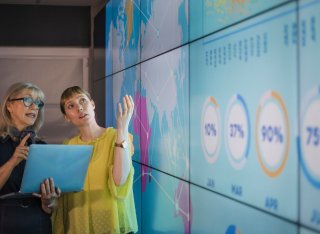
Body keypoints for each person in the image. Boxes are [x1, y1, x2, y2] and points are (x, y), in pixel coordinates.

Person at [52, 86, 138, 234]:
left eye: (82, 101)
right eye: (71, 106)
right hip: (79, 224)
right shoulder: (67, 147)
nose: (79, 108)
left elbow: (120, 180)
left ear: (92, 104)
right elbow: (63, 194)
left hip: (113, 223)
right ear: (66, 116)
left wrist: (122, 128)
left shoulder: (118, 136)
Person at [0, 82, 61, 234]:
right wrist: (13, 161)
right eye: (28, 100)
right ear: (9, 106)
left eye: (38, 103)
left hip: (38, 223)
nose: (35, 107)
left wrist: (49, 201)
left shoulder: (42, 147)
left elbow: (51, 207)